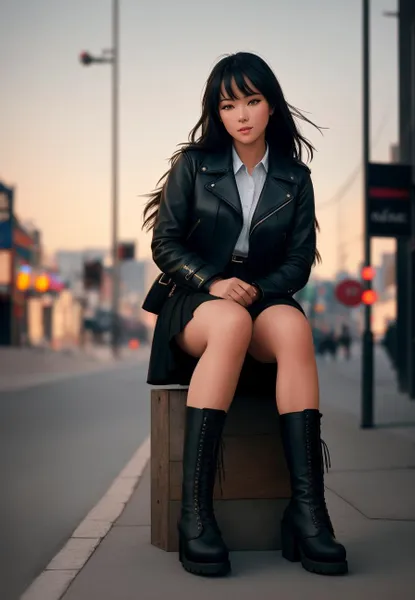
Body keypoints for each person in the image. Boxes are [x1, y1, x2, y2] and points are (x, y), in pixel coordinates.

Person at [142, 52, 348, 577]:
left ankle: (308, 515)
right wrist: (212, 282)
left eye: (253, 101)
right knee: (230, 321)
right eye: (229, 103)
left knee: (295, 327)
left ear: (271, 107)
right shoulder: (195, 166)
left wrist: (257, 289)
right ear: (218, 110)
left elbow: (299, 261)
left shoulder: (295, 179)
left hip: (262, 296)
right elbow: (164, 243)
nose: (242, 114)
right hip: (196, 302)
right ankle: (195, 515)